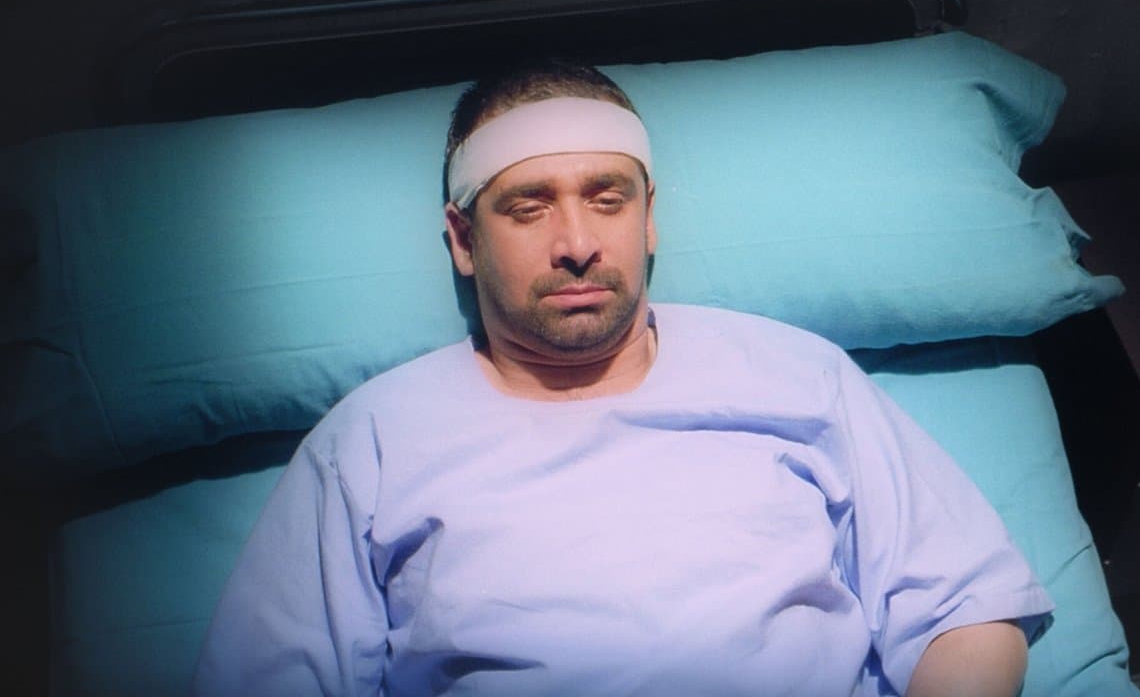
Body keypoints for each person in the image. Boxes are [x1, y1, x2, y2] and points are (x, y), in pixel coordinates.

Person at [194, 62, 1054, 697]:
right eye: (529, 206)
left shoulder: (796, 377)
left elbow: (966, 610)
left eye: (607, 198)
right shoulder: (374, 441)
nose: (577, 243)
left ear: (649, 219)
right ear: (463, 239)